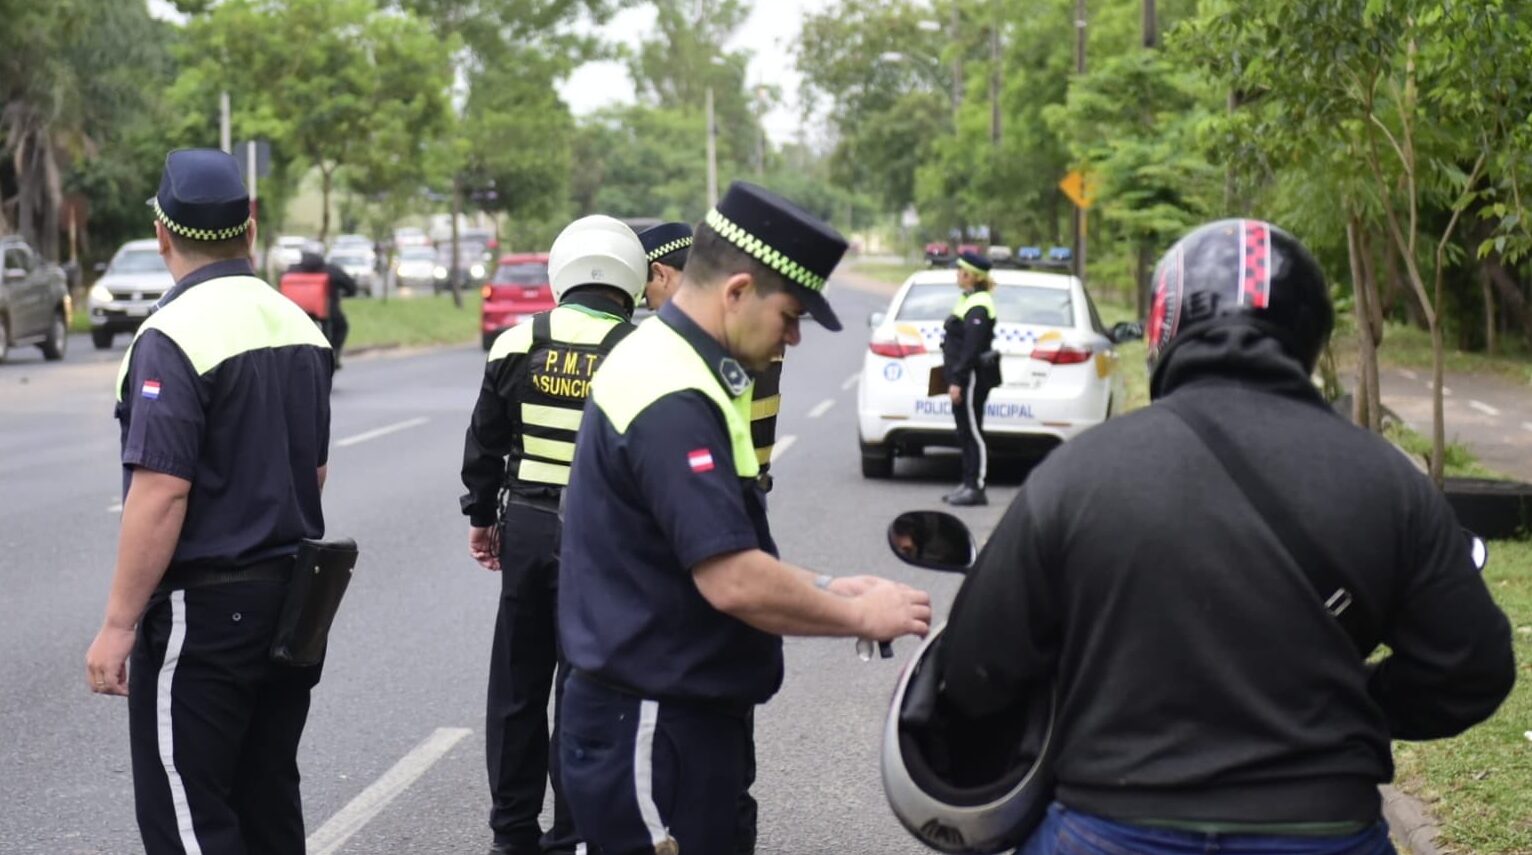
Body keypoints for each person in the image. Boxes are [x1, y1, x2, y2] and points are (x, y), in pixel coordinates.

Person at [932, 219, 1515, 854]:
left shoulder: (1076, 475)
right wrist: (1361, 702)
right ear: (1312, 334)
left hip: (1109, 826)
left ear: (1164, 326)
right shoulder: (1391, 483)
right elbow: (1473, 668)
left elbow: (972, 672)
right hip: (1322, 826)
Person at [557, 182, 933, 854]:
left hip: (669, 720)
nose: (792, 334)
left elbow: (713, 547)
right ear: (735, 292)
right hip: (653, 728)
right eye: (790, 314)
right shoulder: (671, 394)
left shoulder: (675, 364)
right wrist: (856, 613)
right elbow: (730, 577)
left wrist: (827, 588)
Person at [84, 148, 334, 854]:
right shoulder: (300, 327)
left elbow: (161, 490)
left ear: (162, 236)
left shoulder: (172, 335)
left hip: (207, 614)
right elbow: (311, 471)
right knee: (267, 808)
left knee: (190, 818)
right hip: (292, 603)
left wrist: (117, 623)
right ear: (249, 229)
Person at [460, 214, 649, 855]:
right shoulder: (639, 350)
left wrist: (482, 518)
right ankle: (571, 829)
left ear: (561, 271)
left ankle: (511, 833)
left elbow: (484, 444)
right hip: (604, 536)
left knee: (517, 683)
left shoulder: (515, 343)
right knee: (583, 683)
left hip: (530, 528)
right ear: (634, 279)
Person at [942, 251, 1000, 507]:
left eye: (960, 271)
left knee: (973, 431)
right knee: (963, 431)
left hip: (971, 376)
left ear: (971, 276)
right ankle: (967, 482)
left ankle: (976, 486)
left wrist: (958, 379)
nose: (957, 274)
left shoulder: (980, 304)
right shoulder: (967, 299)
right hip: (960, 374)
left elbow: (971, 347)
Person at [284, 249, 357, 367]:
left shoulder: (293, 270)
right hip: (327, 311)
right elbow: (350, 285)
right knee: (342, 326)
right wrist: (348, 292)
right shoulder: (331, 270)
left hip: (297, 312)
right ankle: (335, 354)